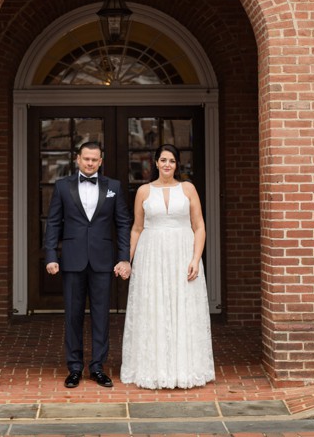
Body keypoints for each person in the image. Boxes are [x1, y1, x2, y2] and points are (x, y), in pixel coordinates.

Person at [120, 143, 214, 389]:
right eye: (163, 160)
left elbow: (199, 226)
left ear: (177, 164)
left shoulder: (188, 188)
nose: (167, 164)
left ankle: (185, 369)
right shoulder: (143, 191)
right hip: (151, 256)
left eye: (171, 161)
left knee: (182, 307)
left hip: (183, 253)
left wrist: (196, 258)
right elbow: (137, 228)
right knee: (154, 307)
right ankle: (154, 368)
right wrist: (126, 260)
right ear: (156, 163)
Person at [43, 141, 132, 388]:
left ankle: (97, 367)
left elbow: (123, 222)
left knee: (101, 316)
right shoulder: (62, 187)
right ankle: (74, 368)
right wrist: (51, 255)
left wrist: (124, 257)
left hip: (103, 260)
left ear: (101, 161)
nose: (90, 163)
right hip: (72, 259)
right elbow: (53, 223)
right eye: (86, 159)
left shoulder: (113, 187)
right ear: (78, 159)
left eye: (95, 159)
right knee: (72, 315)